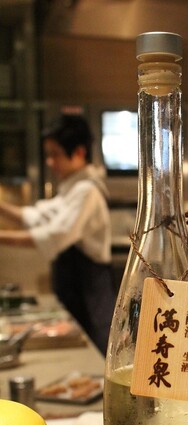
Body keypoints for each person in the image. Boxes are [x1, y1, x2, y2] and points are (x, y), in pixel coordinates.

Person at [0, 114, 116, 354]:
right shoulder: (72, 189)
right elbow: (36, 216)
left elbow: (56, 235)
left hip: (91, 290)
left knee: (97, 349)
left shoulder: (87, 191)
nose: (50, 162)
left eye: (55, 154)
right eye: (48, 154)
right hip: (78, 289)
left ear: (79, 152)